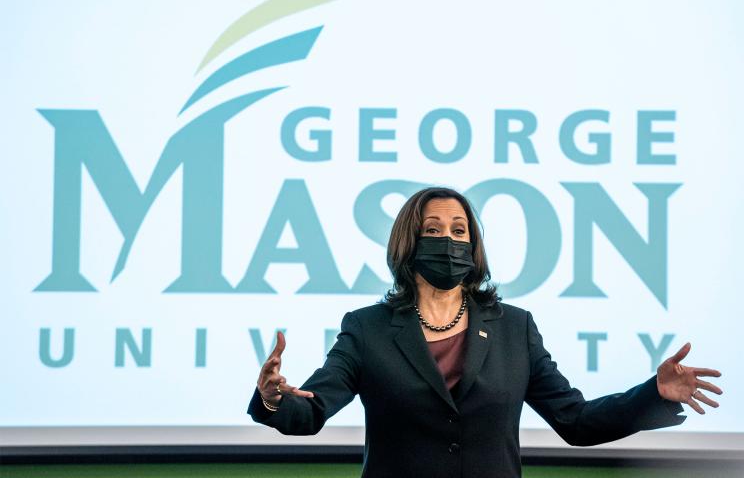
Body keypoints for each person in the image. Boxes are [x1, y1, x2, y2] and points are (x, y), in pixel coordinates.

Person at [247, 187, 723, 477]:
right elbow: (311, 411)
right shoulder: (367, 329)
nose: (449, 240)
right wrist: (273, 398)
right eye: (434, 229)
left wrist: (654, 393)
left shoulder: (514, 328)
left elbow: (575, 421)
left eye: (460, 231)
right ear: (409, 243)